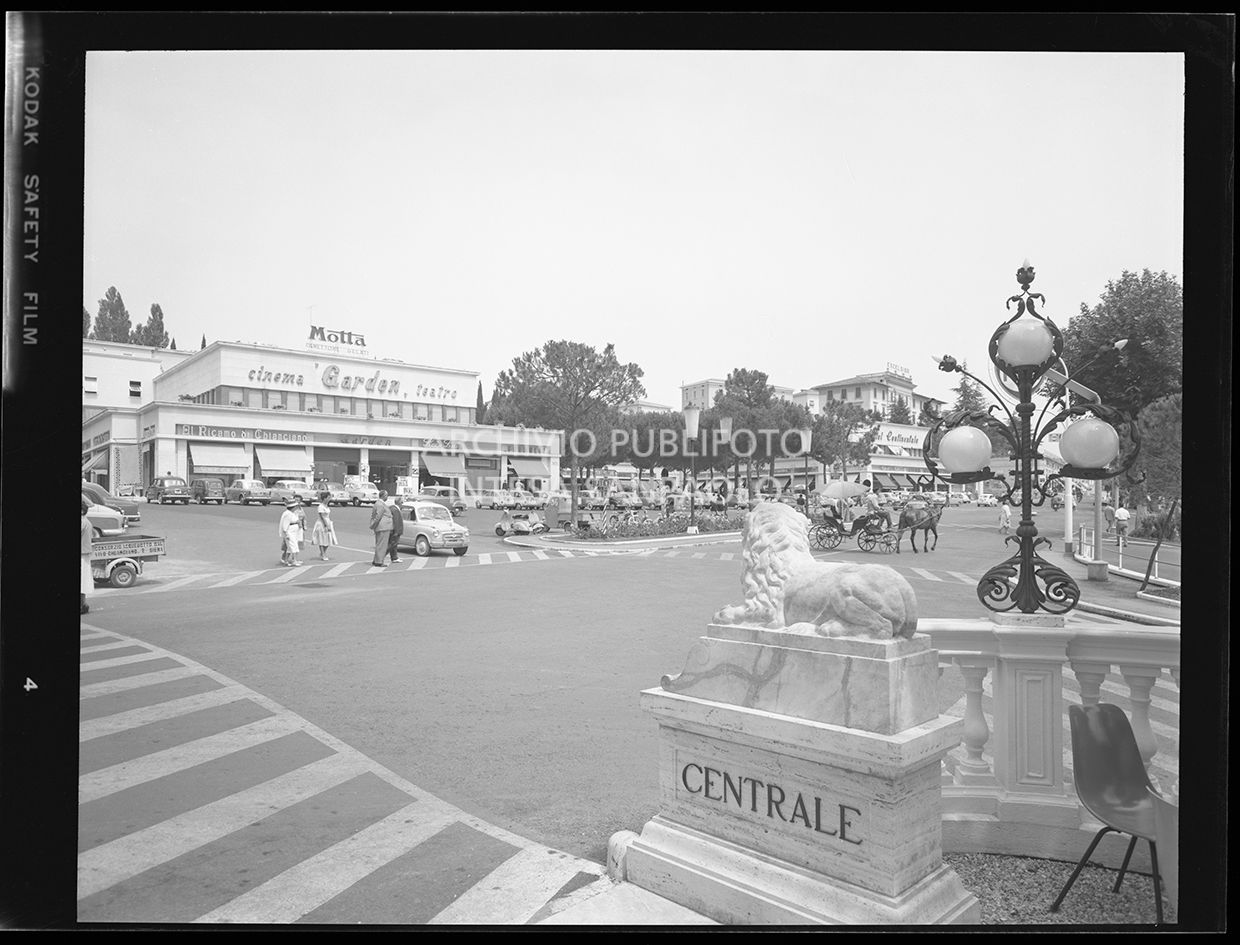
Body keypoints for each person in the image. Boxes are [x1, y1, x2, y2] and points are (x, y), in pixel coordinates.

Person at [369, 489, 393, 566]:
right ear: (383, 496)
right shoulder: (380, 504)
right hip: (383, 527)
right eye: (387, 495)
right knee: (382, 545)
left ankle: (376, 560)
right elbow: (378, 517)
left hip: (382, 527)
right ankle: (379, 561)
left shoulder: (379, 503)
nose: (387, 497)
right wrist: (374, 525)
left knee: (379, 544)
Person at [311, 491, 336, 561]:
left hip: (328, 521)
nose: (329, 498)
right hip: (322, 523)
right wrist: (326, 525)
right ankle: (323, 554)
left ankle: (323, 552)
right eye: (328, 497)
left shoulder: (326, 506)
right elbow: (322, 517)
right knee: (322, 539)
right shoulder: (320, 506)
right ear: (324, 498)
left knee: (329, 539)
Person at [279, 499, 303, 566]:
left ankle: (287, 560)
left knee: (292, 546)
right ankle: (294, 560)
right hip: (290, 532)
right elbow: (285, 525)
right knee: (292, 546)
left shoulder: (292, 513)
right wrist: (286, 534)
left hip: (294, 532)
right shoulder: (288, 514)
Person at [81, 499, 94, 615]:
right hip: (84, 553)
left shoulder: (83, 522)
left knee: (82, 581)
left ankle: (82, 605)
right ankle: (83, 604)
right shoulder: (87, 522)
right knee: (83, 581)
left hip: (82, 554)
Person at [386, 492, 403, 563]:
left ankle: (394, 557)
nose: (402, 503)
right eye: (402, 502)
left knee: (394, 545)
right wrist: (396, 531)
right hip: (395, 531)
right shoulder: (395, 510)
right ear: (399, 503)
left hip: (393, 530)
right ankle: (382, 556)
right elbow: (396, 521)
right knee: (392, 544)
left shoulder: (392, 508)